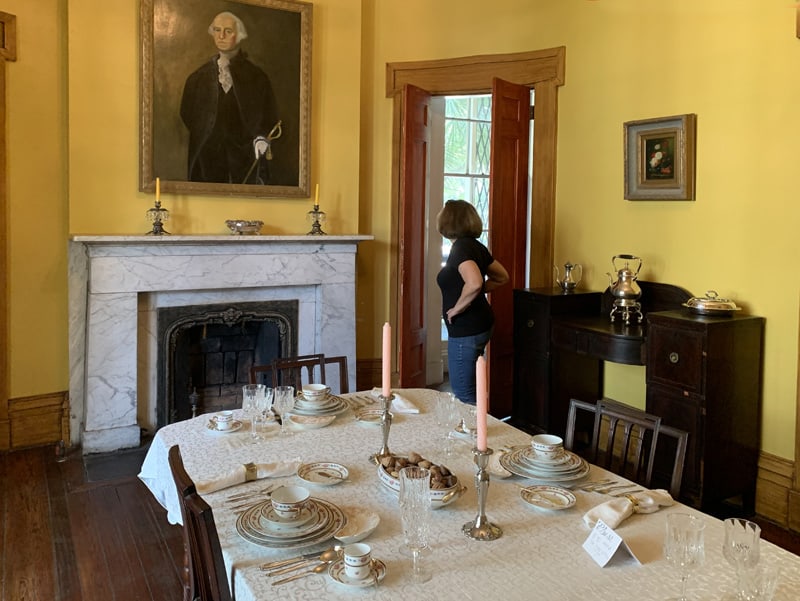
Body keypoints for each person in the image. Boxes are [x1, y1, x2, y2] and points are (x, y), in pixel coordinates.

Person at [180, 11, 279, 185]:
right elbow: (187, 113)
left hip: (245, 157)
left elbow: (269, 115)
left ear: (239, 35)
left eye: (228, 31)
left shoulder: (257, 77)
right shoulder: (197, 78)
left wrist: (260, 137)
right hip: (207, 158)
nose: (221, 36)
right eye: (217, 30)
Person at [436, 199, 509, 405]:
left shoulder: (461, 249)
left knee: (464, 393)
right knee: (470, 388)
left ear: (448, 221)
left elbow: (475, 283)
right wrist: (473, 294)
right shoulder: (476, 246)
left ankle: (476, 435)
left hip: (466, 329)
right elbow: (502, 277)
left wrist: (456, 309)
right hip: (481, 324)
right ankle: (478, 433)